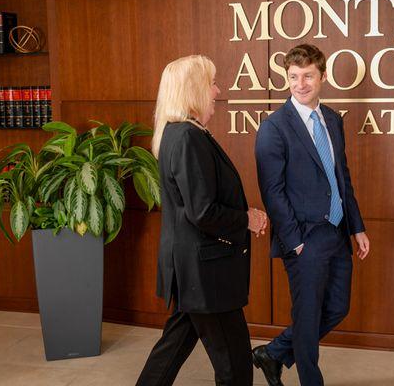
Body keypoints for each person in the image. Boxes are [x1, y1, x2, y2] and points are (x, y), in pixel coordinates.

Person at [136, 55, 267, 386]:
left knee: (173, 347)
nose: (217, 91)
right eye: (211, 83)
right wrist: (246, 219)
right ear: (193, 90)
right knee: (236, 366)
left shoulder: (179, 134)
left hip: (195, 270)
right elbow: (202, 212)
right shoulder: (187, 138)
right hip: (206, 273)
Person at [253, 44, 370, 386]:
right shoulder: (274, 127)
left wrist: (357, 227)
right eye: (293, 77)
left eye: (307, 76)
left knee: (336, 308)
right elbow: (271, 191)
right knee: (306, 318)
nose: (300, 84)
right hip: (303, 237)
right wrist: (295, 242)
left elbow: (341, 177)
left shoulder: (332, 119)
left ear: (322, 76)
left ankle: (273, 353)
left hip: (336, 231)